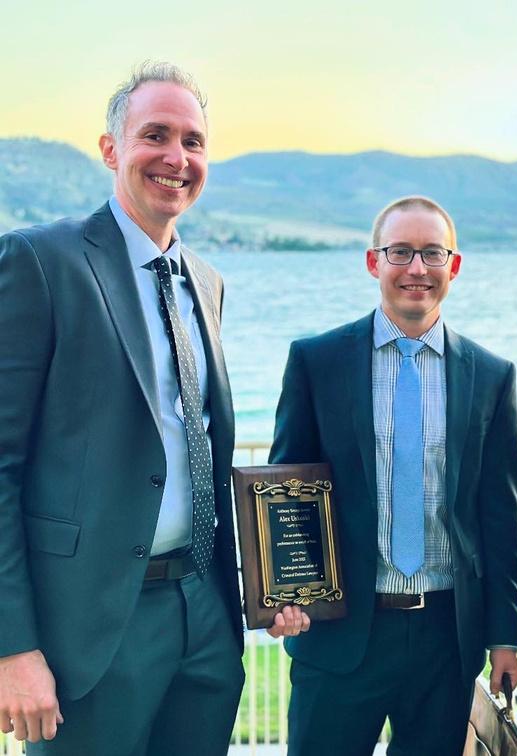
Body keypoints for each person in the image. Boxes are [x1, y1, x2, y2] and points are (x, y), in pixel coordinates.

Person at [0, 62, 304, 755]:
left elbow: (197, 442)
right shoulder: (40, 262)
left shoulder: (207, 283)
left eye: (193, 141)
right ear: (111, 149)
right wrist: (12, 647)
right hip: (88, 628)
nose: (177, 157)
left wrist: (272, 582)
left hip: (205, 614)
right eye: (155, 135)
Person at [269, 195, 517, 755]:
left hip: (446, 639)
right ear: (373, 262)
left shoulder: (491, 375)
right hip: (340, 633)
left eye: (433, 253)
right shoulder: (317, 361)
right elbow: (287, 492)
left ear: (454, 266)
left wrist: (506, 635)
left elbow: (499, 516)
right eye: (400, 252)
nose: (417, 269)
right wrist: (282, 595)